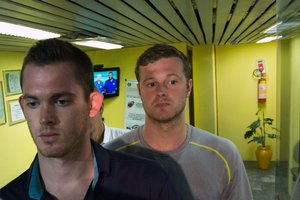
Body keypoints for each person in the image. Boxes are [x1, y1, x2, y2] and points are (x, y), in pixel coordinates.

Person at [0, 39, 179, 200]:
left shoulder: (149, 183)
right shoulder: (8, 196)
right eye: (33, 103)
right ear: (23, 107)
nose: (45, 118)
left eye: (61, 101)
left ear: (93, 104)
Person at [105, 44, 253, 200]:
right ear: (139, 91)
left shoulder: (224, 155)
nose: (161, 92)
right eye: (151, 84)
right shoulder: (109, 158)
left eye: (172, 82)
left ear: (188, 87)